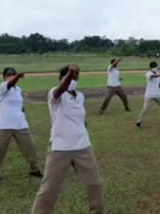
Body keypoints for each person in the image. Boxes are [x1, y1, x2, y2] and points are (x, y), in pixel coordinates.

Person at [32, 65, 104, 214]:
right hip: (60, 148)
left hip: (83, 146)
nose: (74, 79)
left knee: (95, 183)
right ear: (62, 78)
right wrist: (70, 73)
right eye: (71, 77)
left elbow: (81, 120)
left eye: (77, 77)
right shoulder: (55, 94)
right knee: (49, 189)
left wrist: (83, 129)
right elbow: (61, 89)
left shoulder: (80, 96)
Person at [0, 67, 42, 187]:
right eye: (9, 74)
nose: (11, 76)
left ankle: (34, 169)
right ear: (5, 77)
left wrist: (22, 111)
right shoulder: (3, 86)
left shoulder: (18, 90)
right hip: (4, 125)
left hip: (20, 124)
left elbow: (19, 105)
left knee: (30, 148)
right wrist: (16, 77)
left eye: (13, 74)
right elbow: (10, 83)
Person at [136, 61, 160, 128]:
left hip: (158, 94)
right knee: (145, 109)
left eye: (156, 66)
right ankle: (139, 121)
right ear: (150, 67)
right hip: (149, 95)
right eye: (154, 67)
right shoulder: (148, 74)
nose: (155, 68)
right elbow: (152, 76)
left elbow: (156, 82)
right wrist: (159, 75)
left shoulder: (158, 73)